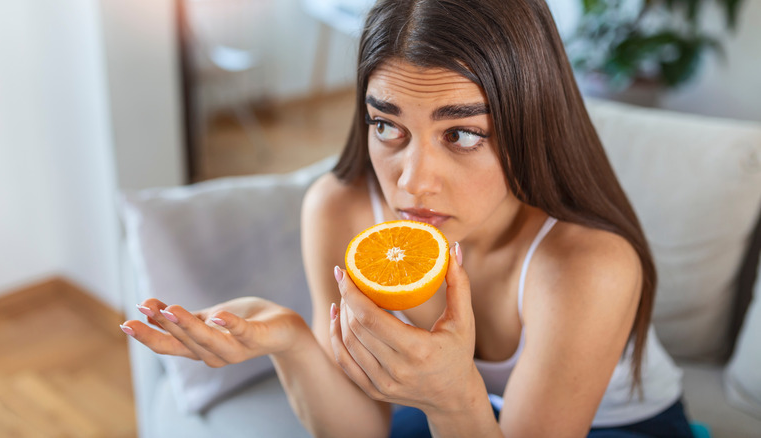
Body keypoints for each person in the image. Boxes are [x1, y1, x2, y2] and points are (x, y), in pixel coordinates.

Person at [121, 0, 695, 436]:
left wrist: (452, 397)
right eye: (387, 126)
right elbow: (360, 427)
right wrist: (289, 339)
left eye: (463, 133)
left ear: (530, 124)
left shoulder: (587, 266)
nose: (413, 182)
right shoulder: (338, 208)